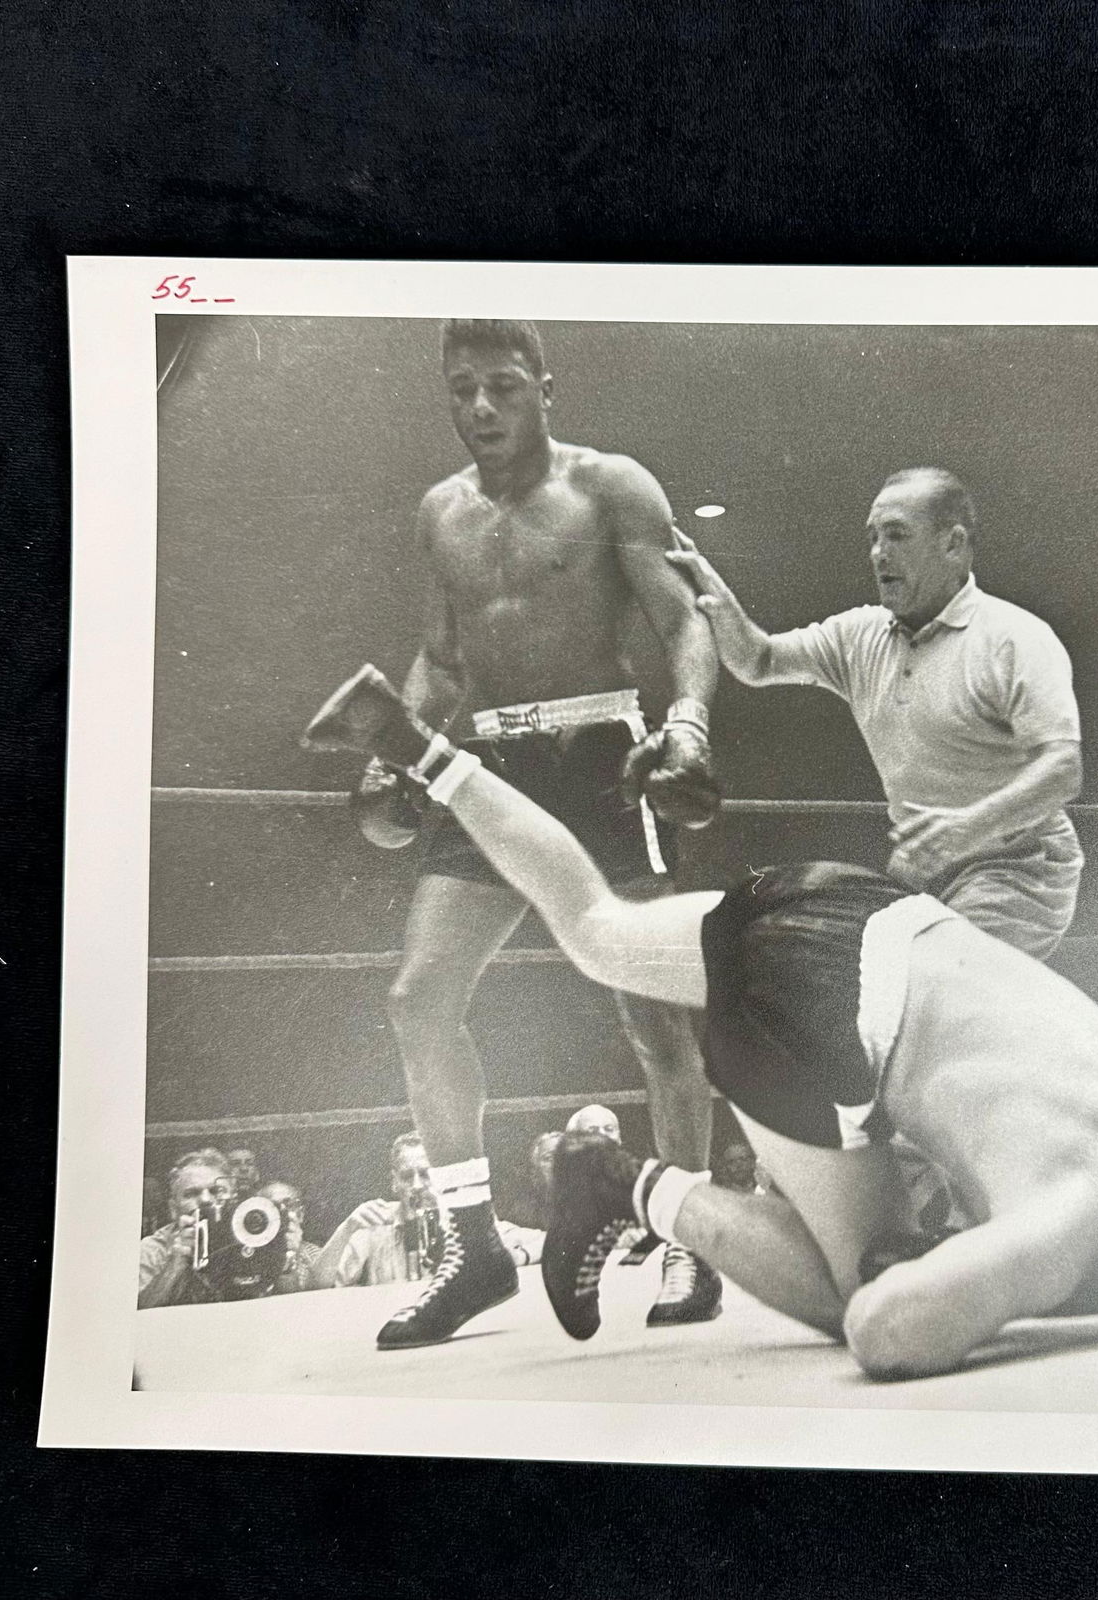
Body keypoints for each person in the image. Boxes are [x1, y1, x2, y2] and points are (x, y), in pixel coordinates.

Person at [303, 669, 1098, 1380]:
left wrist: (1005, 1264)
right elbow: (886, 1333)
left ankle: (425, 753)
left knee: (595, 928)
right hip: (822, 1020)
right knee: (863, 1283)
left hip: (872, 911)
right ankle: (628, 1183)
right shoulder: (1074, 1213)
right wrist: (1003, 1278)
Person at [342, 319, 725, 1348]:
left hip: (606, 759)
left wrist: (687, 723)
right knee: (418, 998)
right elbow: (442, 658)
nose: (480, 410)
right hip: (496, 770)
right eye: (461, 390)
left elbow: (685, 618)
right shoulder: (441, 512)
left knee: (652, 1018)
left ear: (545, 389)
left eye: (502, 388)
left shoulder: (610, 487)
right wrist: (396, 752)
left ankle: (692, 1231)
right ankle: (473, 1248)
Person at [666, 468, 1084, 963]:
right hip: (925, 869)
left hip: (1020, 869)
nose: (879, 553)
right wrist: (714, 593)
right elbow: (758, 661)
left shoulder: (1014, 638)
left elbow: (1063, 771)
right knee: (859, 984)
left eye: (898, 535)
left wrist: (965, 829)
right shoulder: (860, 635)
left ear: (953, 545)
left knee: (938, 984)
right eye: (874, 537)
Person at [314, 1132, 542, 1288]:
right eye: (406, 1176)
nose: (416, 1185)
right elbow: (316, 1284)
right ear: (394, 1182)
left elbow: (550, 1241)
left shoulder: (464, 1219)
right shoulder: (375, 1226)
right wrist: (347, 1228)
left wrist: (519, 1256)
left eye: (425, 1174)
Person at [138, 1149, 236, 1309]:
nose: (205, 1200)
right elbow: (140, 1310)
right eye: (191, 1193)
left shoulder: (251, 1235)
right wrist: (176, 1264)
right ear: (173, 1209)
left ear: (233, 1197)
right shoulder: (152, 1249)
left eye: (216, 1191)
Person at [258, 1180, 324, 1291]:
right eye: (272, 1206)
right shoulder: (249, 1256)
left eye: (289, 1205)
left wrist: (293, 1254)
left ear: (301, 1214)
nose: (281, 1212)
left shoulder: (316, 1256)